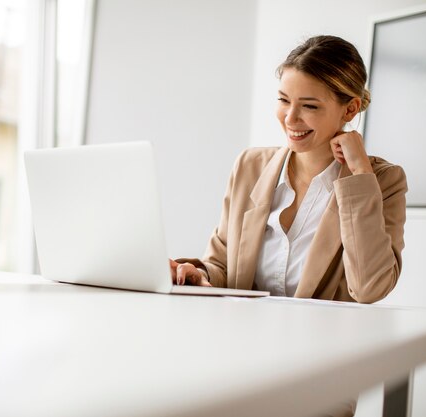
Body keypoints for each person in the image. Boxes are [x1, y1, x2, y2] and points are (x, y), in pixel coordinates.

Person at [169, 35, 407, 417]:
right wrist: (196, 273)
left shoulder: (383, 180)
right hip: (234, 364)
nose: (290, 120)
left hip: (319, 378)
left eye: (309, 106)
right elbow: (224, 265)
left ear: (351, 109)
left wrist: (359, 175)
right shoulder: (250, 165)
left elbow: (370, 287)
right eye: (283, 100)